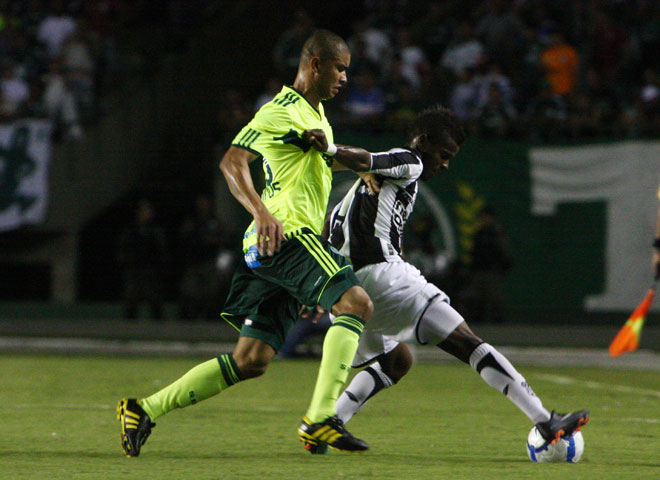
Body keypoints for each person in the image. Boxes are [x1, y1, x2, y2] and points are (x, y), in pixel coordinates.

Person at [117, 29, 376, 457]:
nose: (345, 78)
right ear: (315, 65)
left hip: (276, 248)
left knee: (251, 360)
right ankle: (320, 419)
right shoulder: (280, 110)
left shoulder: (315, 116)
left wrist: (354, 164)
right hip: (288, 235)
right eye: (340, 68)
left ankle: (143, 409)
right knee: (356, 303)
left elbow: (317, 160)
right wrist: (261, 212)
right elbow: (232, 160)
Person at [299, 105, 589, 454]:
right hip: (382, 278)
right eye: (444, 154)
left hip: (348, 288)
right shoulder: (411, 160)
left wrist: (320, 289)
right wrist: (332, 149)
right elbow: (366, 158)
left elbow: (350, 195)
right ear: (423, 141)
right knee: (466, 341)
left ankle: (326, 425)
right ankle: (545, 419)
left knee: (397, 361)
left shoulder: (355, 195)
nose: (446, 163)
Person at [460, 206, 512, 323]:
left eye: (486, 217)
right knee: (476, 300)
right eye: (482, 217)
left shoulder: (496, 233)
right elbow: (473, 253)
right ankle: (479, 325)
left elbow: (504, 252)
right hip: (478, 272)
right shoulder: (479, 234)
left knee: (495, 300)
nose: (484, 219)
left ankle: (499, 327)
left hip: (492, 272)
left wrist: (502, 268)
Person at [117, 198, 167, 321]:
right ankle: (128, 329)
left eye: (148, 211)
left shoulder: (155, 232)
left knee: (155, 301)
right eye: (144, 211)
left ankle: (159, 329)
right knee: (131, 301)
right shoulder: (130, 231)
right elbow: (123, 251)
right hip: (134, 271)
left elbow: (162, 252)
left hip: (151, 271)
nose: (146, 214)